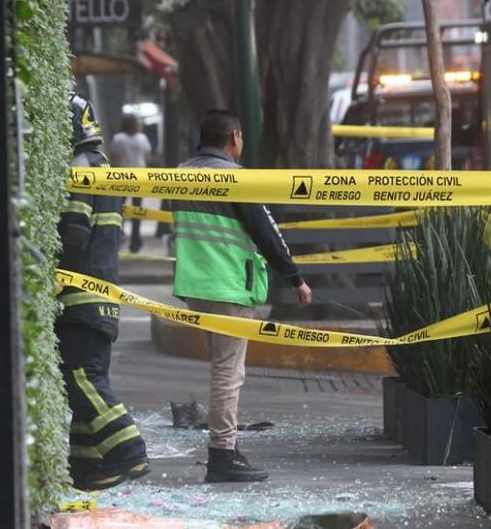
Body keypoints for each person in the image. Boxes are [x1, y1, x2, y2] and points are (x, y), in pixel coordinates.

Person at [171, 110, 312, 483]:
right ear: (234, 137)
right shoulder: (235, 177)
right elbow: (266, 231)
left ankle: (227, 448)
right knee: (228, 372)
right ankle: (223, 454)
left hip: (195, 287)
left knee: (222, 368)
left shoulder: (180, 174)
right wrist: (295, 278)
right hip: (229, 285)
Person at [57, 93, 149, 491]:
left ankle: (128, 450)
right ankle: (90, 467)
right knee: (88, 377)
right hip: (103, 295)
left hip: (79, 294)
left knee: (81, 377)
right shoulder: (104, 167)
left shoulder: (80, 167)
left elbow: (74, 235)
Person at [110, 113, 154, 253]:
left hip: (122, 177)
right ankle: (136, 241)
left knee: (119, 209)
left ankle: (119, 235)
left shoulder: (118, 138)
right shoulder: (143, 138)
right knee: (137, 210)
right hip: (139, 177)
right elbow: (148, 157)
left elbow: (113, 157)